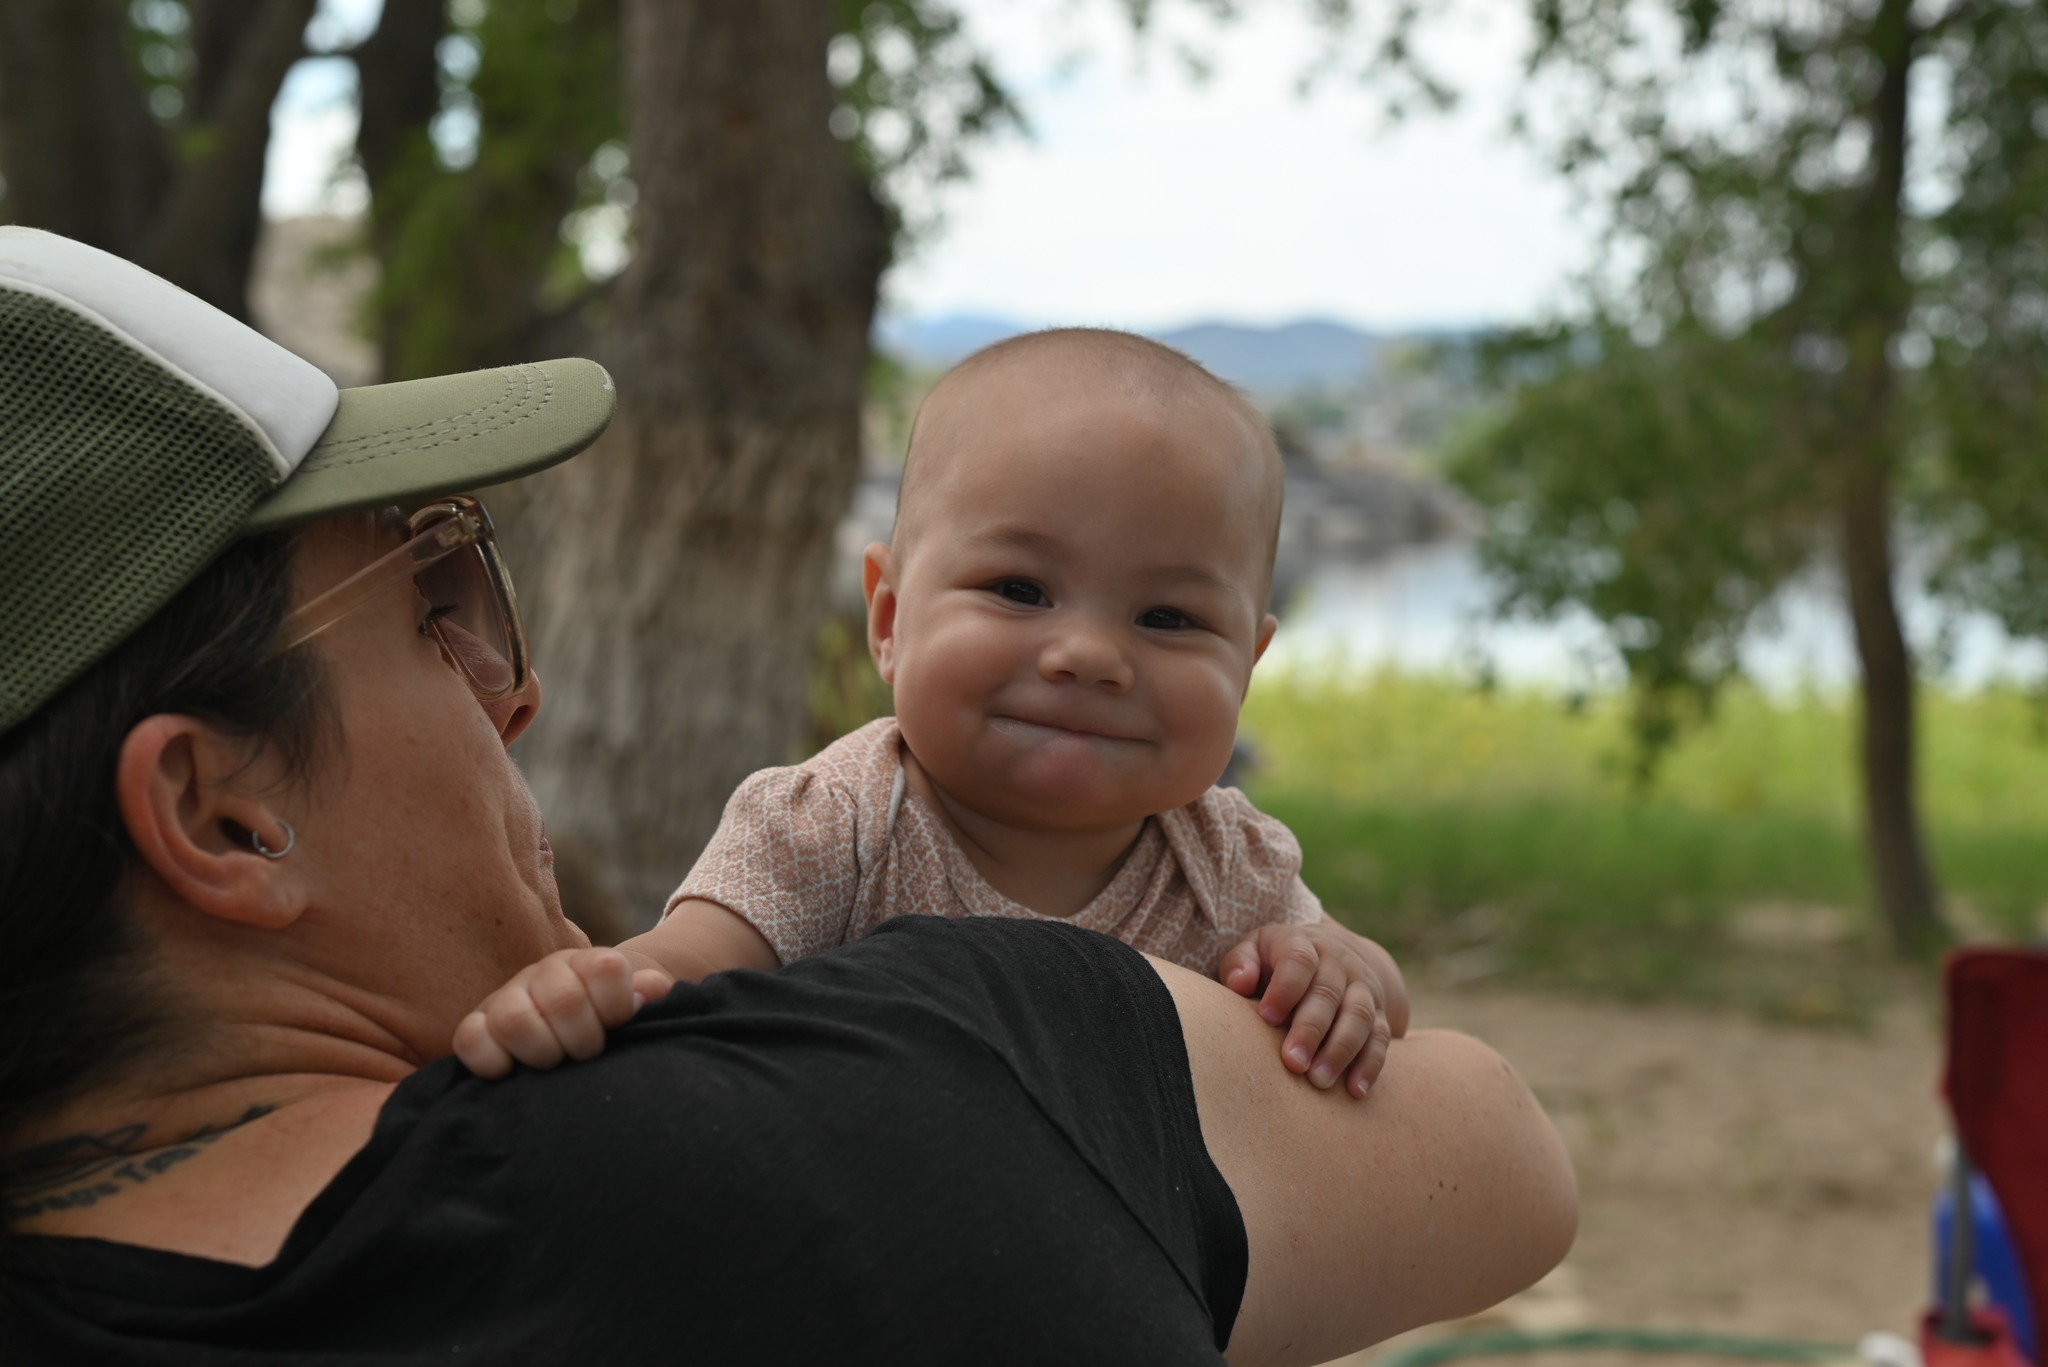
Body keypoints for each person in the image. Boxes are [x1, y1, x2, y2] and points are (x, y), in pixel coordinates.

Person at [0, 226, 1576, 1365]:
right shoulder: (918, 1111)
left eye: (1171, 616)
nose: (513, 683)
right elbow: (1499, 1154)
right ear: (219, 812)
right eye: (437, 601)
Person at [459, 330, 1406, 1100]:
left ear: (1247, 666)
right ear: (889, 617)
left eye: (1168, 617)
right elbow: (683, 967)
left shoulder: (1229, 864)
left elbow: (1376, 995)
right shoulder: (833, 820)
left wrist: (1339, 970)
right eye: (1020, 588)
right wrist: (590, 989)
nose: (1090, 655)